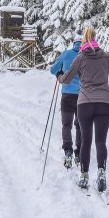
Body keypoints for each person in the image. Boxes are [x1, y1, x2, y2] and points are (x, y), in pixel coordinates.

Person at [60, 25, 109, 193]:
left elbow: (66, 79)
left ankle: (84, 176)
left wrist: (60, 76)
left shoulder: (80, 57)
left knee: (86, 141)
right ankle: (101, 172)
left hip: (85, 104)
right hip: (105, 104)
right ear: (95, 39)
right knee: (101, 141)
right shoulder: (105, 57)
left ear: (83, 41)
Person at [49, 33, 83, 169]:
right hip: (83, 96)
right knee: (80, 126)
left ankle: (68, 152)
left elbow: (53, 69)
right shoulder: (87, 56)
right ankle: (79, 154)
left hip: (67, 94)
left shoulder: (67, 54)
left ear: (74, 43)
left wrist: (59, 74)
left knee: (66, 125)